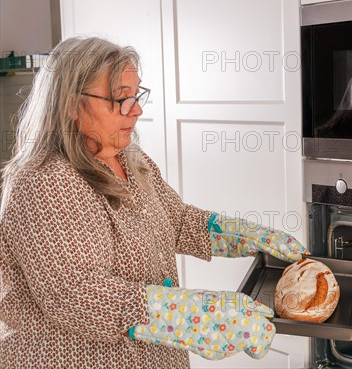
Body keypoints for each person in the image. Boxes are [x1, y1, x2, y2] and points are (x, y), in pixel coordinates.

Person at [0, 37, 308, 368]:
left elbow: (175, 221)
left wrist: (243, 235)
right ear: (72, 105)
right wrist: (192, 315)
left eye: (136, 95)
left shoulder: (128, 157)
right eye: (121, 98)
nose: (137, 109)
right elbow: (76, 296)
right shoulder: (43, 182)